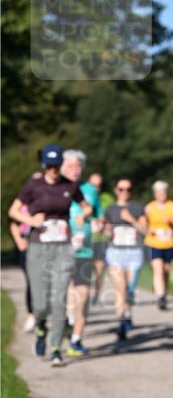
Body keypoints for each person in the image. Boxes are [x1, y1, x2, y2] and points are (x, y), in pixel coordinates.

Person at [8, 144, 90, 366]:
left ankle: (56, 347)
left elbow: (85, 206)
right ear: (44, 165)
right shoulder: (34, 185)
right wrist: (30, 221)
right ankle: (41, 328)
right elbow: (13, 210)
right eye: (50, 166)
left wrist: (83, 215)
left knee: (60, 297)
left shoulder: (70, 186)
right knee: (41, 301)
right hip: (38, 247)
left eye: (57, 166)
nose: (54, 170)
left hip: (63, 246)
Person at [61, 150, 101, 356]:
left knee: (83, 294)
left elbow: (99, 215)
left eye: (78, 166)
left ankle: (76, 338)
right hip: (60, 250)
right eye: (70, 166)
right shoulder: (55, 188)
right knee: (65, 293)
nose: (75, 170)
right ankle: (66, 320)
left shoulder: (90, 190)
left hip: (84, 250)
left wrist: (99, 225)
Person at [104, 179, 147, 339]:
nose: (125, 192)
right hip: (115, 253)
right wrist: (104, 229)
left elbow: (145, 230)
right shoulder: (110, 209)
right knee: (120, 289)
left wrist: (132, 220)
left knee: (129, 290)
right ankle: (121, 322)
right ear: (116, 190)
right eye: (121, 189)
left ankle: (127, 313)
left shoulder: (137, 207)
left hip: (133, 253)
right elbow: (107, 230)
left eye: (128, 189)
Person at [144, 181, 173, 310]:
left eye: (163, 192)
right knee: (157, 268)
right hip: (153, 242)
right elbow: (144, 225)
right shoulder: (149, 207)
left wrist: (171, 221)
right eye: (159, 192)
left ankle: (163, 293)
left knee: (166, 270)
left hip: (169, 242)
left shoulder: (172, 206)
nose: (161, 194)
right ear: (155, 194)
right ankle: (160, 296)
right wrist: (150, 230)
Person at [88, 173, 115, 304]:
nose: (96, 188)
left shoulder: (107, 199)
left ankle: (96, 295)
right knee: (85, 268)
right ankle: (84, 293)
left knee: (99, 268)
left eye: (99, 186)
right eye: (93, 185)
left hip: (101, 239)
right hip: (85, 239)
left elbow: (112, 217)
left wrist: (105, 225)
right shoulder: (82, 195)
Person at [9, 203, 35, 331]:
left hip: (43, 244)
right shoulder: (23, 204)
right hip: (26, 243)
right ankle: (31, 315)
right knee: (31, 281)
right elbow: (13, 223)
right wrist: (19, 240)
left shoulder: (48, 200)